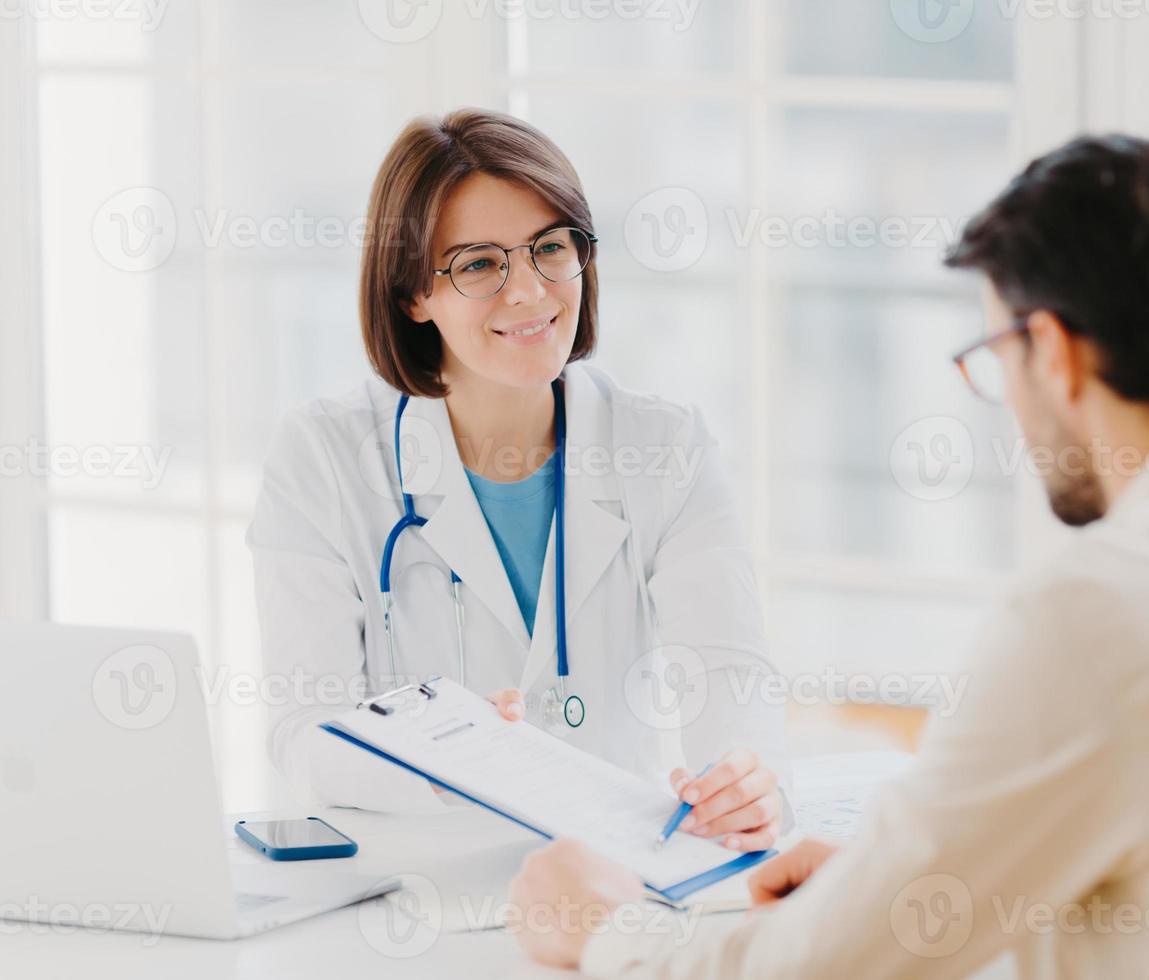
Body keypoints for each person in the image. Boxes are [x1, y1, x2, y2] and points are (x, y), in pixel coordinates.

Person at [506, 135, 1149, 977]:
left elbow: (811, 977)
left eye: (995, 360)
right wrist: (901, 892)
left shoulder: (1109, 608)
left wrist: (608, 928)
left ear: (1051, 351)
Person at [247, 109, 789, 850]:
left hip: (610, 877)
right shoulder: (324, 457)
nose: (530, 292)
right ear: (413, 294)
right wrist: (437, 759)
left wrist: (744, 781)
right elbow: (300, 726)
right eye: (478, 264)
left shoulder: (665, 447)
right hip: (412, 885)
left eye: (549, 249)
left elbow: (733, 678)